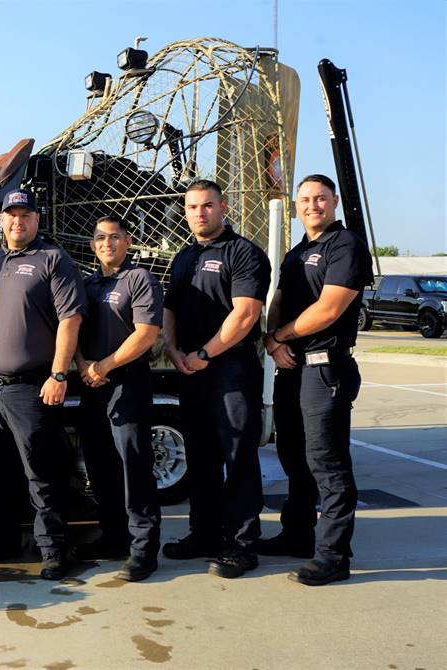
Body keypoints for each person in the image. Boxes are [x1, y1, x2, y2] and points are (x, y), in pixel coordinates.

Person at [0, 189, 83, 581]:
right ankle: (4, 542)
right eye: (11, 215)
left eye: (25, 215)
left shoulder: (52, 260)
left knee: (41, 473)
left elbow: (70, 319)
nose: (18, 221)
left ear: (36, 220)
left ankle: (53, 549)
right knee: (1, 474)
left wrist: (59, 373)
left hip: (32, 388)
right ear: (1, 220)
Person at [259, 174, 372, 586]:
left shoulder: (346, 247)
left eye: (320, 198)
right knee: (293, 456)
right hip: (292, 367)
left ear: (335, 202)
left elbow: (329, 310)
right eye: (305, 199)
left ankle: (334, 555)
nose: (312, 206)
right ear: (296, 206)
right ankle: (297, 535)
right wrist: (273, 344)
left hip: (326, 369)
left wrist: (279, 336)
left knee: (328, 463)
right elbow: (280, 300)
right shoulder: (297, 253)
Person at [161, 180, 271, 579]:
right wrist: (174, 351)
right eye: (192, 207)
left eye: (207, 205)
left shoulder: (244, 253)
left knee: (237, 456)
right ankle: (203, 535)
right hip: (190, 369)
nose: (199, 213)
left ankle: (243, 545)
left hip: (230, 370)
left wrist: (205, 354)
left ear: (223, 206)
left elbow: (245, 315)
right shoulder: (184, 256)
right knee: (201, 458)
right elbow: (169, 308)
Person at [74, 216, 163, 582]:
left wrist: (105, 366)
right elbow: (72, 328)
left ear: (128, 241)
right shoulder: (88, 284)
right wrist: (84, 366)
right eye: (99, 237)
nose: (107, 243)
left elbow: (146, 334)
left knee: (133, 467)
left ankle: (143, 549)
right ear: (93, 245)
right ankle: (114, 537)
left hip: (127, 385)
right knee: (100, 468)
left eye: (114, 237)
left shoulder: (139, 280)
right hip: (92, 386)